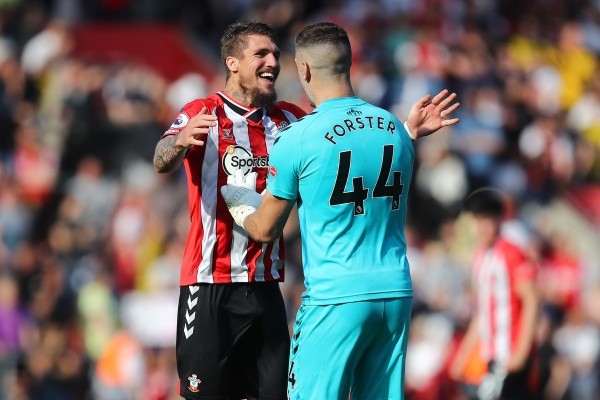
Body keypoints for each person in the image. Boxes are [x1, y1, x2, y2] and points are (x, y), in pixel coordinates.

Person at [220, 22, 460, 400]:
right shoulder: (395, 129)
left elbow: (265, 229)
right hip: (395, 293)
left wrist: (236, 200)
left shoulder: (298, 136)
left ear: (304, 70)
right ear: (347, 64)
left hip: (336, 298)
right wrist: (410, 134)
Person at [153, 21, 306, 400]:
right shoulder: (203, 112)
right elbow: (160, 158)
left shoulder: (290, 120)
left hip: (266, 286)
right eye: (261, 54)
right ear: (233, 63)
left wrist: (404, 130)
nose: (273, 61)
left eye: (275, 54)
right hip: (209, 284)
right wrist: (180, 142)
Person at [449, 188, 540, 400]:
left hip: (511, 356)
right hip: (492, 356)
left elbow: (532, 300)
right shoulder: (480, 258)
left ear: (499, 220)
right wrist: (463, 354)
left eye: (486, 220)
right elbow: (482, 312)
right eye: (477, 220)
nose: (481, 227)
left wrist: (521, 351)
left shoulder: (511, 253)